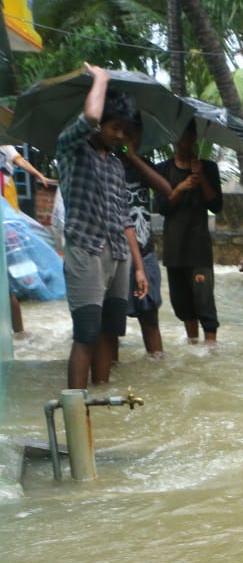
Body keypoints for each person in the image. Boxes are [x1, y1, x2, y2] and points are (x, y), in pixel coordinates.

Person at [55, 63, 147, 389]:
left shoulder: (115, 166)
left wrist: (138, 267)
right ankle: (77, 410)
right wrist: (102, 79)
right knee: (86, 333)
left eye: (124, 130)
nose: (120, 135)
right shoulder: (71, 148)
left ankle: (102, 398)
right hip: (85, 251)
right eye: (114, 127)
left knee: (110, 333)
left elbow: (124, 219)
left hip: (118, 255)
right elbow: (91, 119)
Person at [155, 121, 222, 344]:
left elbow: (216, 205)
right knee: (182, 304)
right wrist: (180, 188)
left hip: (199, 248)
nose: (183, 142)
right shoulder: (163, 169)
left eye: (187, 136)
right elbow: (161, 207)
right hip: (174, 248)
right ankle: (193, 344)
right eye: (179, 137)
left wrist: (201, 177)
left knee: (205, 302)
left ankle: (210, 347)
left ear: (194, 138)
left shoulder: (208, 167)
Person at [113, 121, 171, 358]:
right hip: (115, 254)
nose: (129, 139)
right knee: (112, 324)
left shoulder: (142, 165)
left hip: (145, 253)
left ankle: (157, 365)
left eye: (134, 134)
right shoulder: (107, 164)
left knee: (150, 317)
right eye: (125, 133)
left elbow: (165, 188)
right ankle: (111, 373)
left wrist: (134, 158)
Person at [2, 145, 56, 339]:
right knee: (7, 284)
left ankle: (19, 332)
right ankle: (19, 332)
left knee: (9, 282)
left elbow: (21, 161)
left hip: (9, 221)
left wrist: (39, 175)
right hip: (9, 220)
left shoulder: (5, 147)